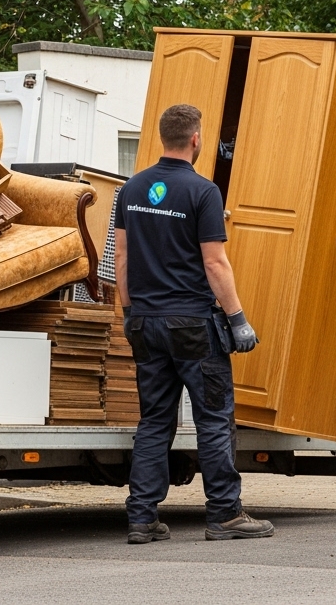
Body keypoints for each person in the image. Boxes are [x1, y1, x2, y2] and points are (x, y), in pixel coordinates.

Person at [114, 104, 274, 544]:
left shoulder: (130, 189)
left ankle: (142, 518)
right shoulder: (204, 191)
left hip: (145, 323)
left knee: (154, 422)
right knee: (214, 419)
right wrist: (238, 319)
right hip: (192, 326)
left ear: (162, 137)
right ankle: (225, 515)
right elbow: (215, 262)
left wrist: (129, 314)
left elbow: (122, 258)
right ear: (196, 139)